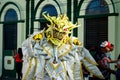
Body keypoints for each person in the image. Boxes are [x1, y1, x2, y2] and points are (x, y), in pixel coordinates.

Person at [22, 13, 104, 80]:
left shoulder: (70, 45)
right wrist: (33, 39)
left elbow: (85, 59)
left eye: (62, 33)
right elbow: (27, 49)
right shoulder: (41, 42)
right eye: (57, 32)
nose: (59, 35)